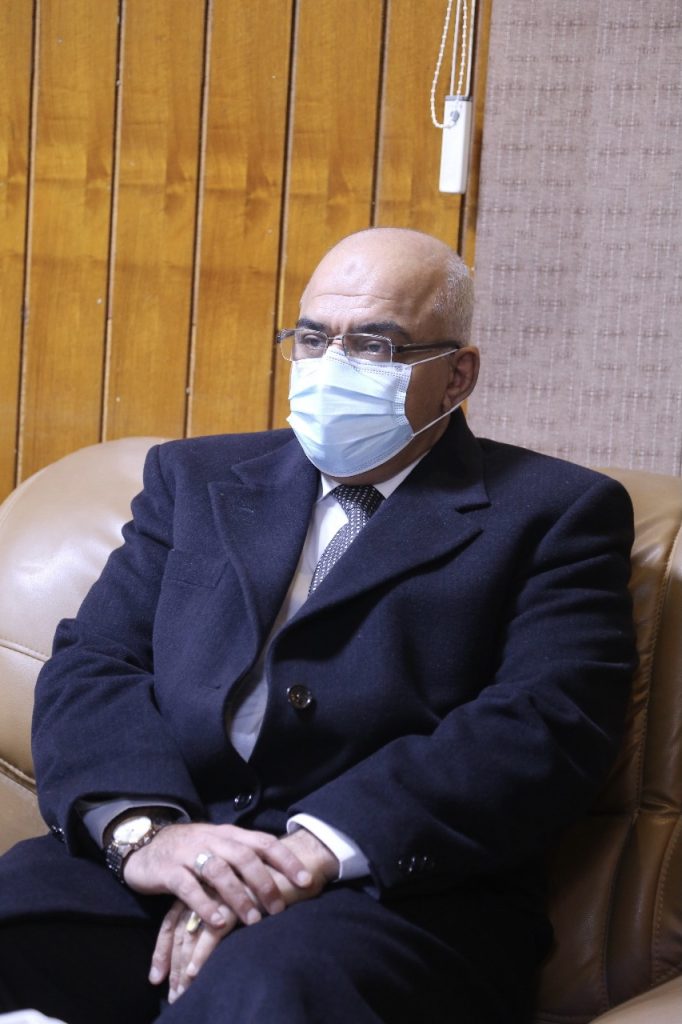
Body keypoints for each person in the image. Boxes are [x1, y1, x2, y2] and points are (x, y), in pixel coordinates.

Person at [0, 228, 636, 1023]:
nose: (333, 365)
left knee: (265, 994)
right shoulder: (193, 479)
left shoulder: (556, 514)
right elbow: (96, 664)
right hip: (178, 849)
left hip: (389, 895)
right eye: (312, 338)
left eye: (374, 345)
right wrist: (150, 836)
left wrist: (312, 852)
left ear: (457, 376)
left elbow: (545, 724)